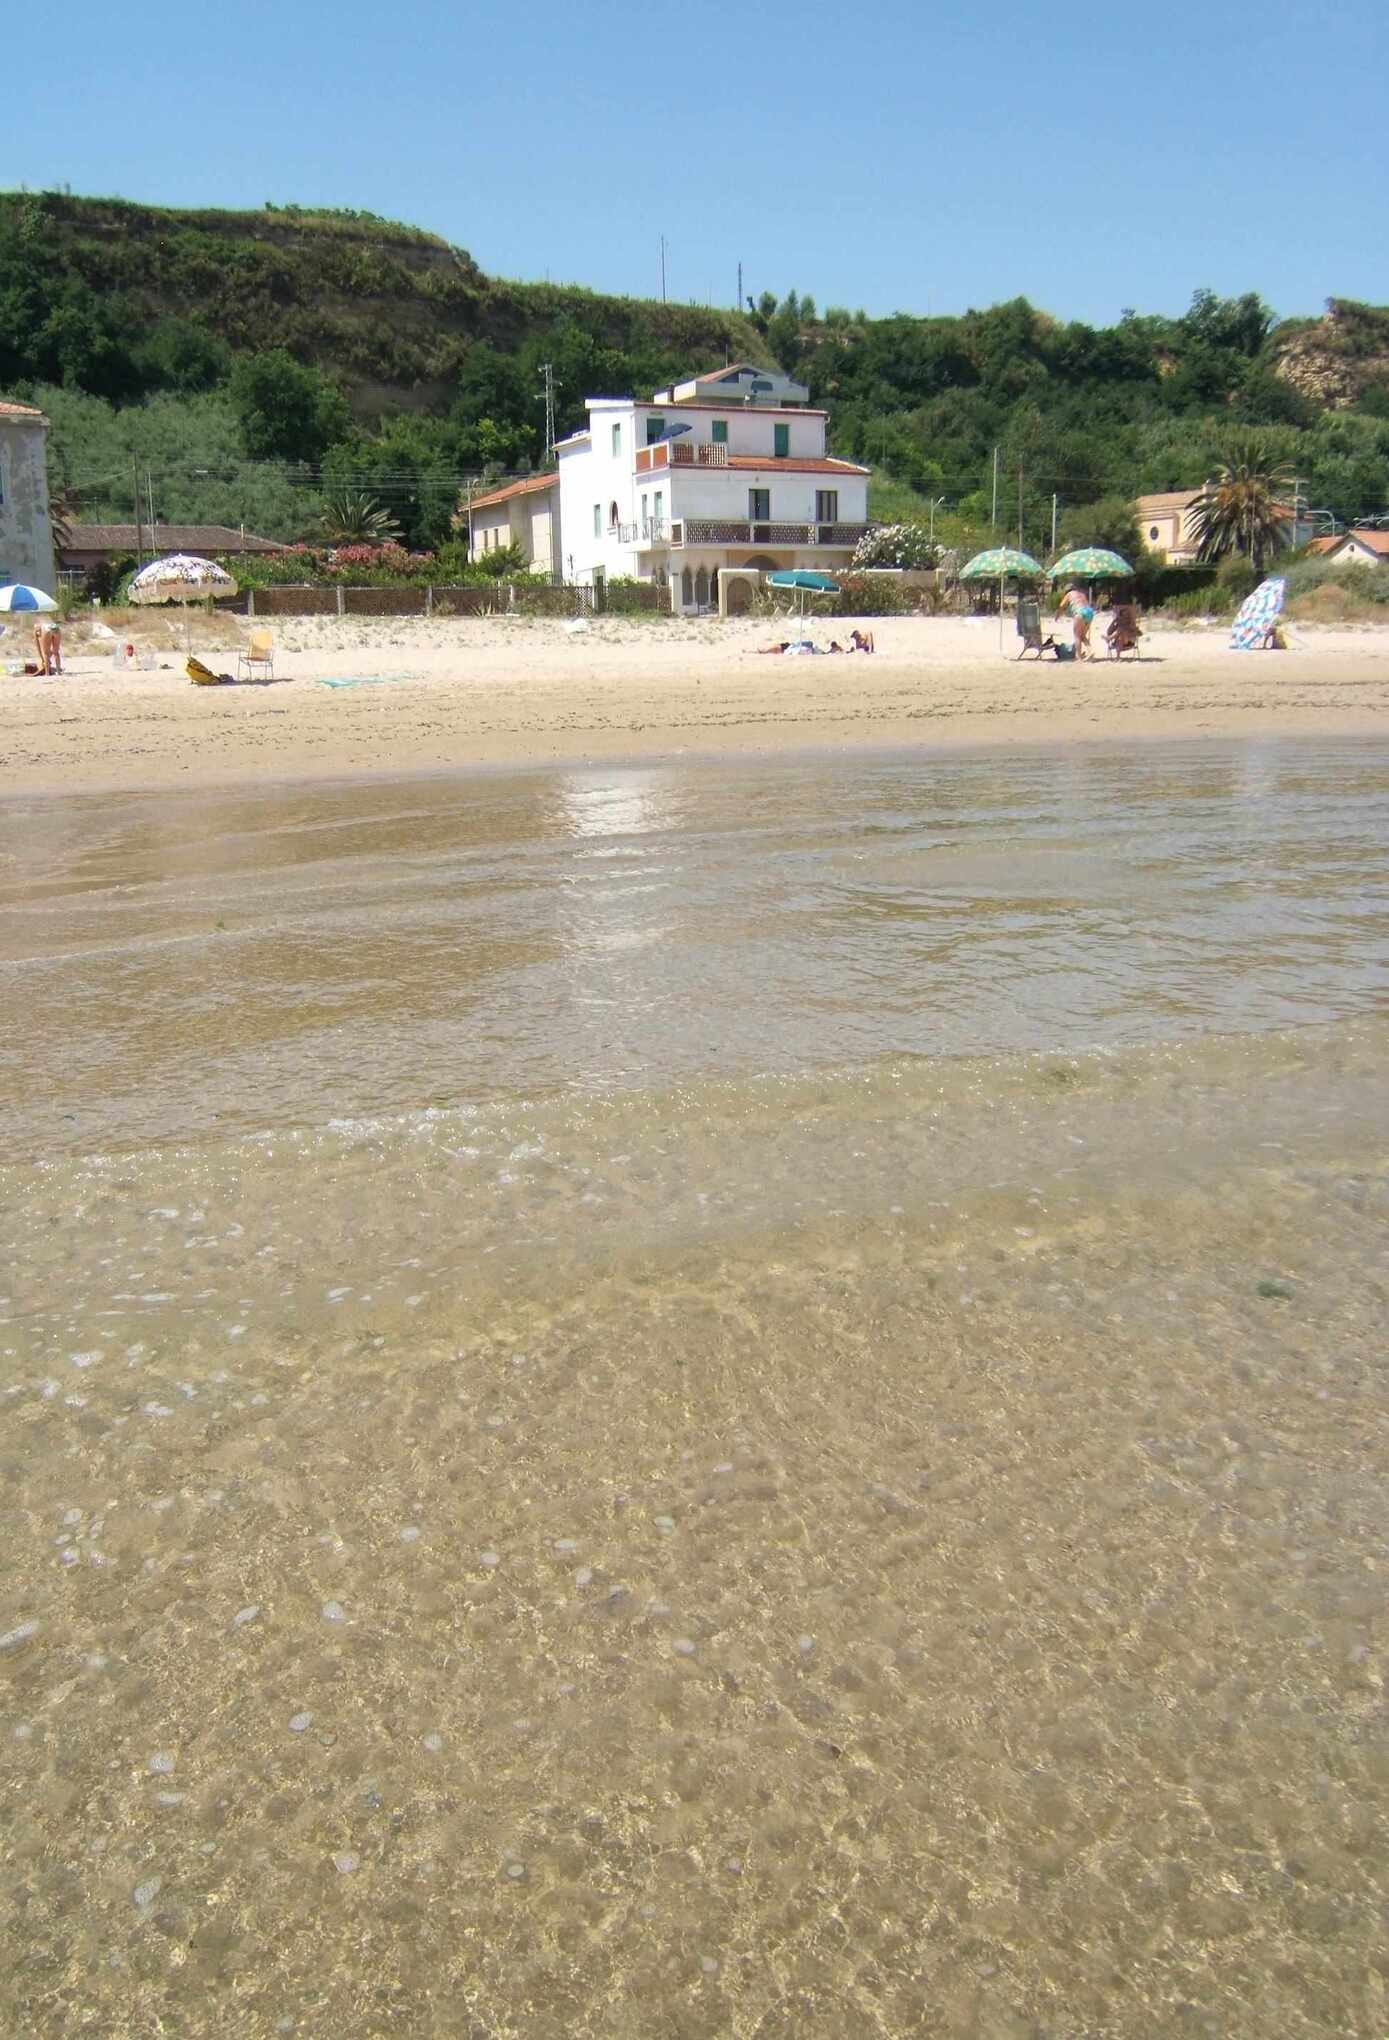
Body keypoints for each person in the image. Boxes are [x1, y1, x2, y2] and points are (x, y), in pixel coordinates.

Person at [1055, 584, 1093, 660]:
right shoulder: (1081, 593)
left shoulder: (1069, 594)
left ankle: (1078, 657)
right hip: (1089, 612)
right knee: (1082, 636)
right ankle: (1090, 651)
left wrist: (1057, 616)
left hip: (1080, 612)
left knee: (1077, 636)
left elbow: (1061, 606)